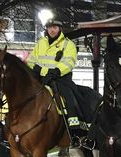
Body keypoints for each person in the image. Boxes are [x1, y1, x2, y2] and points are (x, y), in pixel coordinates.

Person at [27, 18, 84, 148]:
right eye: (50, 27)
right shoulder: (40, 43)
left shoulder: (68, 44)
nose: (52, 30)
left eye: (55, 27)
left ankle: (74, 130)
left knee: (70, 98)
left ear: (60, 29)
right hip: (41, 78)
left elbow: (69, 63)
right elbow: (30, 60)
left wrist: (56, 71)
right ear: (46, 29)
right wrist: (39, 70)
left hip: (60, 78)